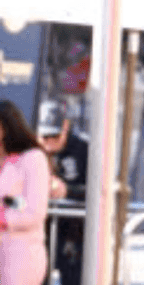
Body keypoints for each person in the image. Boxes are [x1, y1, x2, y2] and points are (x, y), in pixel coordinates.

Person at [0, 99, 50, 285]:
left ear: (7, 127)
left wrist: (4, 217)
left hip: (20, 256)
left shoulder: (33, 159)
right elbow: (11, 200)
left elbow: (34, 210)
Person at [38, 100, 88, 285]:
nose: (49, 144)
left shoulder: (84, 150)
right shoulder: (32, 151)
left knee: (73, 278)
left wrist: (68, 190)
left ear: (65, 127)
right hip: (40, 232)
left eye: (54, 136)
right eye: (44, 137)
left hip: (73, 233)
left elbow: (98, 191)